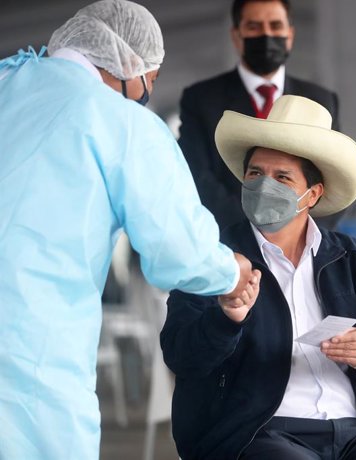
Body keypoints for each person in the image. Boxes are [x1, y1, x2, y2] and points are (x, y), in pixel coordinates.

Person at [0, 1, 259, 459]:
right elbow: (176, 246)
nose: (145, 93)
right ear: (128, 65)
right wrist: (231, 270)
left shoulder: (7, 81)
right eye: (151, 80)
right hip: (30, 348)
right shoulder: (121, 122)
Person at [160, 95, 356, 460]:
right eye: (255, 173)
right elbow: (181, 354)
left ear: (313, 194)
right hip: (255, 431)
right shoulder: (214, 256)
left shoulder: (350, 256)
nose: (263, 185)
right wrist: (225, 319)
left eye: (282, 177)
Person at [178, 0, 341, 232]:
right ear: (236, 36)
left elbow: (333, 174)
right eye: (254, 27)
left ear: (290, 34)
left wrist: (297, 234)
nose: (266, 34)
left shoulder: (321, 100)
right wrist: (252, 235)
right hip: (230, 243)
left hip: (302, 247)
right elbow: (196, 175)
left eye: (275, 26)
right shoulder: (201, 99)